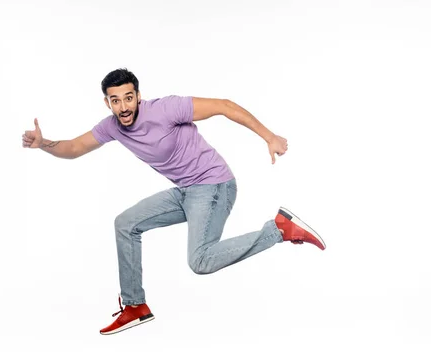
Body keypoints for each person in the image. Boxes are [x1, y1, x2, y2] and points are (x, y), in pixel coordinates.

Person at [22, 68, 326, 335]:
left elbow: (224, 106)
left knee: (200, 261)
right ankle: (135, 305)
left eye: (128, 98)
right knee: (125, 224)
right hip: (186, 191)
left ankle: (279, 230)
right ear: (108, 103)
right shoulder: (111, 126)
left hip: (214, 185)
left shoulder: (166, 109)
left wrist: (269, 136)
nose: (123, 107)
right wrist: (42, 144)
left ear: (138, 96)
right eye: (115, 100)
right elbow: (75, 147)